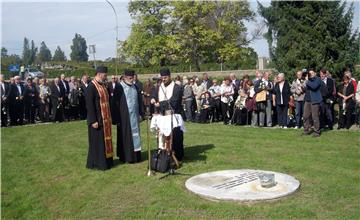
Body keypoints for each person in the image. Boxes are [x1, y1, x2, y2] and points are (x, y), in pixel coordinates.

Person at [151, 67, 184, 161]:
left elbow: (173, 101)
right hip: (162, 116)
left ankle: (176, 156)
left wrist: (160, 104)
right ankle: (163, 154)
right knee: (162, 136)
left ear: (169, 76)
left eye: (165, 77)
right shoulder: (159, 86)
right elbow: (154, 94)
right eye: (162, 77)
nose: (163, 79)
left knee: (175, 137)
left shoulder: (176, 87)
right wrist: (153, 98)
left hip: (173, 115)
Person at [112, 69, 144, 163]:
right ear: (125, 77)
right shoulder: (119, 87)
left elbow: (139, 101)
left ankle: (136, 156)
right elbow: (114, 103)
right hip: (124, 117)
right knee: (125, 137)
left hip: (134, 116)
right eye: (130, 78)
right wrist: (116, 118)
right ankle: (127, 157)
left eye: (132, 77)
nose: (131, 79)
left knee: (135, 136)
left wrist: (141, 114)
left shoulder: (136, 87)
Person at [86, 66, 114, 170]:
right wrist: (93, 120)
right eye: (105, 75)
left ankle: (107, 161)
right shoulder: (91, 87)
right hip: (96, 120)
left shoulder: (103, 85)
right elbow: (89, 105)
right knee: (97, 143)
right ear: (99, 74)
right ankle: (98, 163)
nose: (106, 77)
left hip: (104, 119)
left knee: (104, 142)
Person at [303, 69, 323, 137]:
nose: (310, 74)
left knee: (315, 117)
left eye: (312, 73)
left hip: (315, 100)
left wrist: (307, 81)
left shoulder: (318, 79)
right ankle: (306, 130)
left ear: (315, 73)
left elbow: (314, 86)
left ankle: (317, 132)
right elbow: (306, 89)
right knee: (305, 116)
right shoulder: (309, 80)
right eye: (310, 73)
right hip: (307, 100)